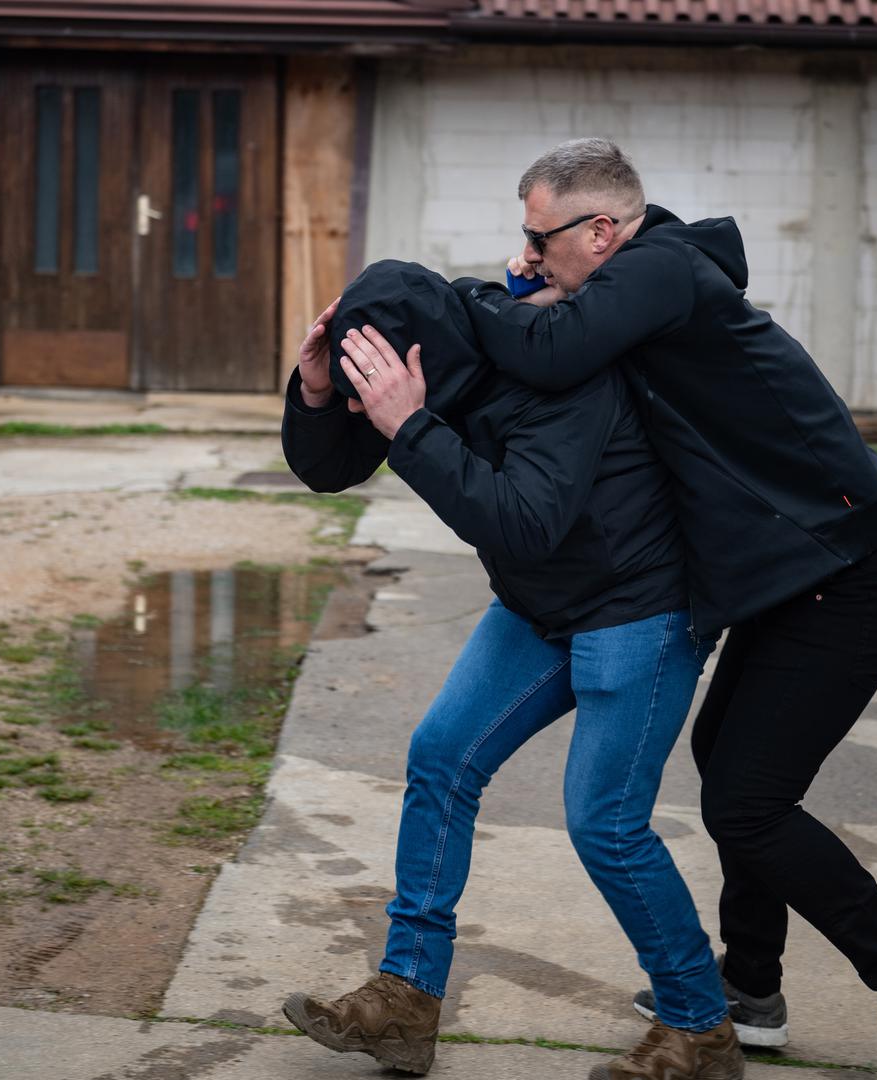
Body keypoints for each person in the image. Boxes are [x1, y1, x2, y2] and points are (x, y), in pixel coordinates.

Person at [452, 137, 877, 1080]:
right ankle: (749, 990)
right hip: (791, 576)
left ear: (602, 230)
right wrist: (526, 293)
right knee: (729, 770)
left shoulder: (660, 268)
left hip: (853, 571)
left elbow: (549, 351)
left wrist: (471, 300)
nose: (527, 255)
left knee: (747, 803)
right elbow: (559, 354)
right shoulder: (638, 288)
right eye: (524, 240)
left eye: (541, 238)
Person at [277, 260, 743, 1080]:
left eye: (369, 389)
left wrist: (409, 425)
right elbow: (328, 468)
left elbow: (526, 520)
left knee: (605, 822)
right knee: (442, 756)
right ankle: (406, 998)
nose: (365, 405)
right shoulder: (433, 363)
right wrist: (317, 392)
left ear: (418, 361)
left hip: (638, 604)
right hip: (542, 604)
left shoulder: (553, 372)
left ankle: (701, 1027)